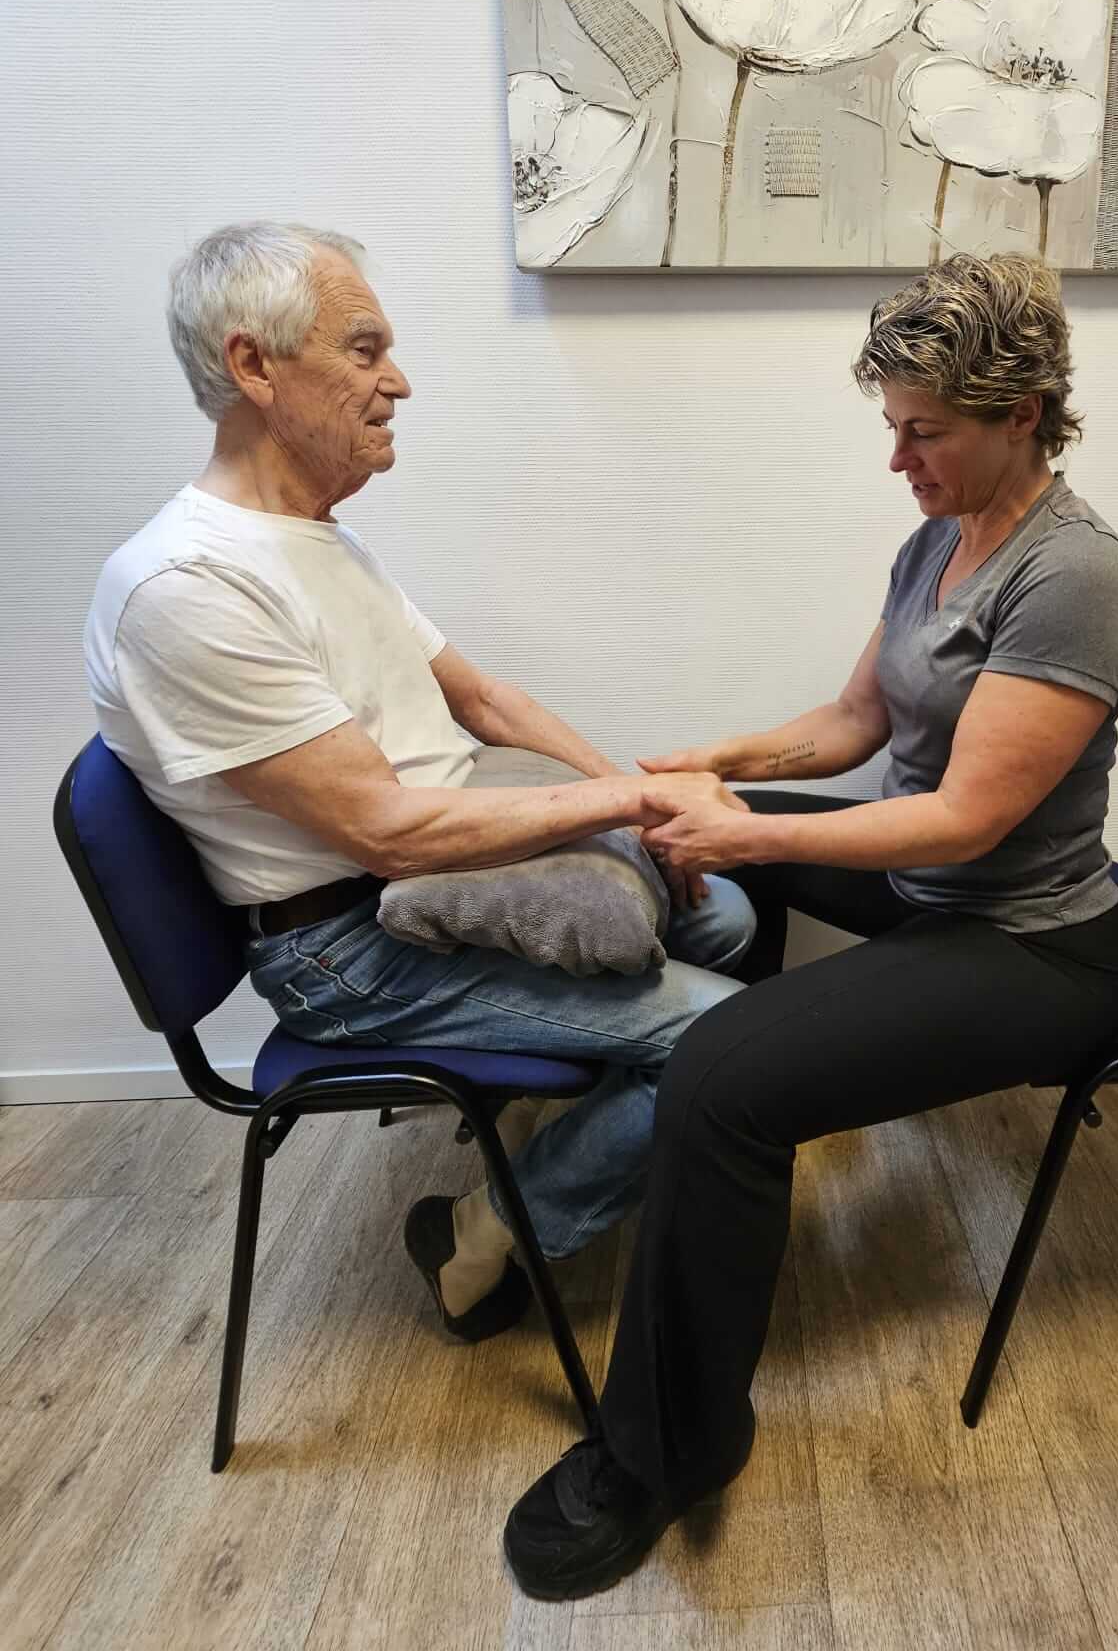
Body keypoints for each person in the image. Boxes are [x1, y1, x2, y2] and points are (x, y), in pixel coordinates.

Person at [504, 252, 1118, 1599]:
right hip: (936, 895)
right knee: (704, 841)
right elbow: (856, 727)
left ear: (1021, 412)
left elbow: (963, 820)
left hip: (1038, 947)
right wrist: (711, 765)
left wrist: (745, 830)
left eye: (927, 431)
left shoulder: (1077, 577)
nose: (900, 460)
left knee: (726, 1079)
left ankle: (667, 1448)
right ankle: (649, 1175)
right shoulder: (940, 537)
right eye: (893, 427)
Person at [84, 221, 754, 1340]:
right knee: (722, 1043)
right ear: (254, 365)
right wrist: (637, 806)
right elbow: (388, 831)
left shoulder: (313, 538)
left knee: (719, 911)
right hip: (348, 944)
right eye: (363, 349)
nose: (397, 380)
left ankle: (550, 1120)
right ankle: (490, 1229)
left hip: (431, 885)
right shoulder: (188, 586)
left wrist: (646, 817)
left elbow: (481, 701)